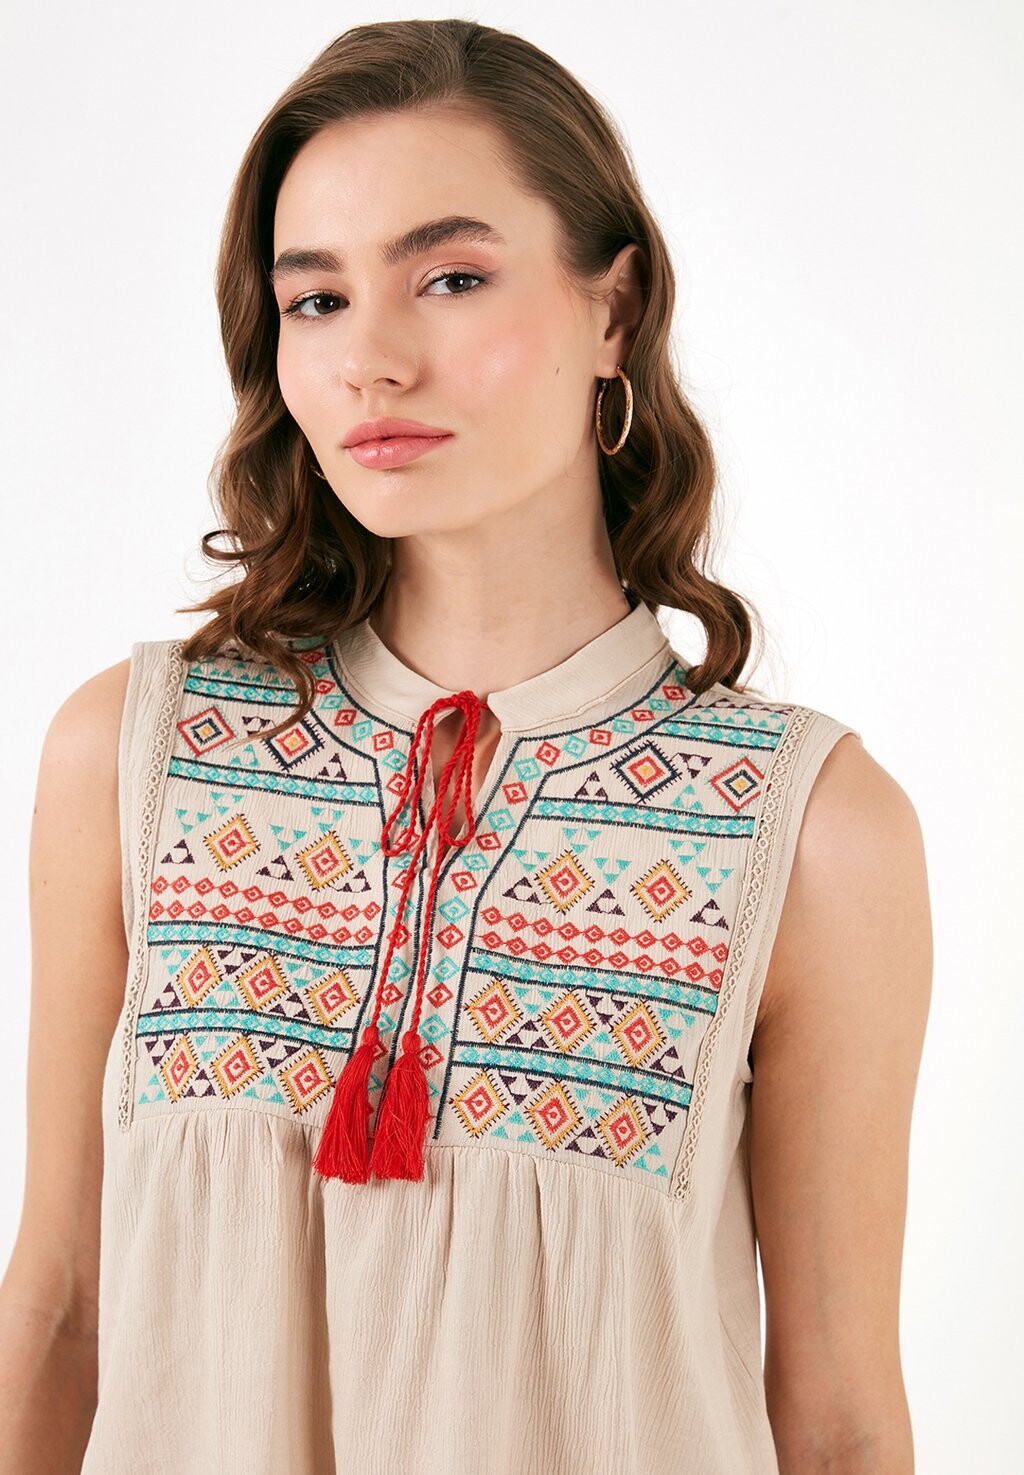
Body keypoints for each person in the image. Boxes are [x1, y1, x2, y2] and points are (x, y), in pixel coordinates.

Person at [0, 17, 932, 1475]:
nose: (371, 360)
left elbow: (842, 1427)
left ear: (615, 308)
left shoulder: (808, 829)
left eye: (450, 278)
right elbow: (58, 1312)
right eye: (316, 299)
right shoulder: (132, 756)